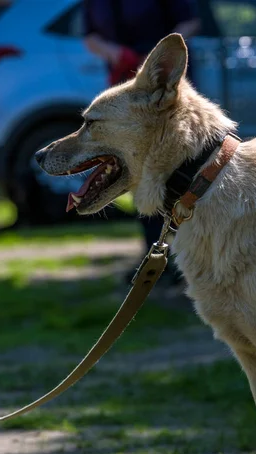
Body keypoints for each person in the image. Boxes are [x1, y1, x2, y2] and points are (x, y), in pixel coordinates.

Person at [83, 0, 201, 283]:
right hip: (121, 88)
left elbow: (190, 24)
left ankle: (192, 255)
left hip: (162, 89)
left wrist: (154, 62)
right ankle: (155, 257)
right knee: (137, 172)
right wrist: (113, 52)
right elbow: (90, 36)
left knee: (177, 171)